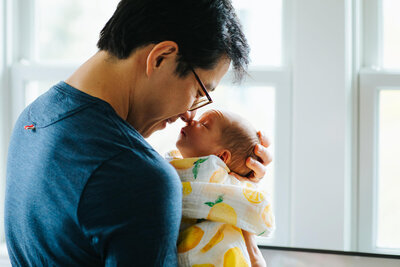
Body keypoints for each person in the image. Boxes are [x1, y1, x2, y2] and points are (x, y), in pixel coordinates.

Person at [5, 0, 272, 266]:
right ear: (161, 57)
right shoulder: (139, 177)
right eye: (199, 92)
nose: (189, 114)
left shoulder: (33, 118)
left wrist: (227, 183)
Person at [169, 109, 271, 266]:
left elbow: (256, 204)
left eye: (204, 124)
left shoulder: (215, 173)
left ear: (221, 157)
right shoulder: (171, 162)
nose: (191, 120)